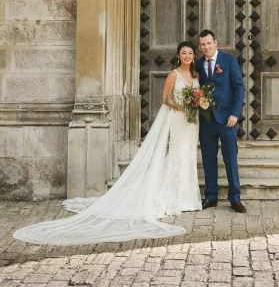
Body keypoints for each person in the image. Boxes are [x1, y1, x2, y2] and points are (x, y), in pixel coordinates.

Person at [13, 42, 202, 245]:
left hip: (191, 122)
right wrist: (182, 106)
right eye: (184, 53)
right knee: (177, 153)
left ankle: (188, 198)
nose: (187, 56)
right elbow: (166, 99)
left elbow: (198, 96)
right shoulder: (173, 75)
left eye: (190, 53)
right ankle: (173, 198)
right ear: (178, 55)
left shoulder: (197, 76)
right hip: (178, 119)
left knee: (189, 154)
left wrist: (196, 104)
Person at [196, 29, 246, 213]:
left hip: (227, 120)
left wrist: (235, 114)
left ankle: (235, 198)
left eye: (209, 43)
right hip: (207, 119)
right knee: (208, 159)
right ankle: (211, 196)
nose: (206, 47)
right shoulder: (198, 64)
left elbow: (239, 88)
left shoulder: (229, 60)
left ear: (215, 42)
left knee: (230, 159)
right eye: (202, 45)